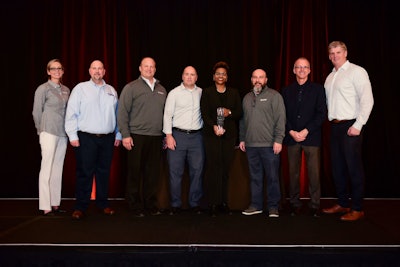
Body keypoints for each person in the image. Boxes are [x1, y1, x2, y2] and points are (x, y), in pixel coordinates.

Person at [322, 41, 374, 221]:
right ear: (329, 56)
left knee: (354, 168)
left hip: (351, 126)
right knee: (337, 168)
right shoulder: (330, 77)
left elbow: (367, 100)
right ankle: (343, 203)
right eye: (332, 53)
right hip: (335, 127)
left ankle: (358, 208)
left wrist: (358, 125)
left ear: (345, 53)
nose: (335, 56)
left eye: (338, 52)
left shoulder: (357, 72)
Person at [65, 60, 121, 220]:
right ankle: (81, 206)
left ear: (104, 71)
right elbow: (71, 113)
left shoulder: (111, 90)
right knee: (85, 172)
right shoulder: (80, 89)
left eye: (100, 69)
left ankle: (103, 204)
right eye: (94, 68)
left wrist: (118, 134)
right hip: (86, 138)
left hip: (108, 138)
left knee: (104, 172)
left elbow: (117, 115)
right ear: (89, 71)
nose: (97, 71)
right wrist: (72, 135)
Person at [118, 57, 167, 217]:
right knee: (134, 172)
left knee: (152, 174)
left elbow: (166, 115)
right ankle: (134, 205)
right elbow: (122, 112)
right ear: (140, 68)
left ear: (155, 69)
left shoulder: (162, 89)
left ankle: (150, 205)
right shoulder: (131, 87)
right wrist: (125, 135)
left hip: (156, 136)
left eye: (152, 66)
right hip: (136, 136)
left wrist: (166, 135)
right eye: (146, 66)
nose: (149, 69)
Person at [281, 57, 327, 217]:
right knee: (293, 173)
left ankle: (315, 205)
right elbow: (282, 115)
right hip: (292, 137)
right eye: (298, 67)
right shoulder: (286, 91)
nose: (301, 70)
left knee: (314, 173)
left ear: (309, 70)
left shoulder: (318, 90)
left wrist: (307, 130)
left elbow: (321, 114)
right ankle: (294, 204)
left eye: (305, 67)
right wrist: (291, 131)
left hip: (311, 137)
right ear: (293, 70)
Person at [239, 69, 286, 218]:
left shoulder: (274, 96)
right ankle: (256, 205)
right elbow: (242, 121)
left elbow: (280, 119)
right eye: (255, 77)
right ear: (251, 79)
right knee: (255, 177)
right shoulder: (246, 97)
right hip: (251, 145)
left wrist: (279, 140)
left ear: (266, 80)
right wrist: (242, 138)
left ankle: (273, 207)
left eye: (261, 77)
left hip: (269, 145)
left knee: (272, 177)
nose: (258, 80)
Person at [200, 61, 242, 217]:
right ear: (213, 76)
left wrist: (229, 112)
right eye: (218, 73)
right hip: (211, 135)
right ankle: (212, 203)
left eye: (223, 74)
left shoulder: (234, 93)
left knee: (225, 169)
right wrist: (213, 127)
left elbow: (239, 113)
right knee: (212, 169)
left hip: (229, 136)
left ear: (227, 77)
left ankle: (224, 202)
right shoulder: (207, 92)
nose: (220, 76)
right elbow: (204, 114)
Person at [163, 66, 204, 215]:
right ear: (182, 76)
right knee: (175, 172)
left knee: (197, 171)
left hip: (197, 137)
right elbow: (167, 115)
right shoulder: (174, 93)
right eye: (186, 74)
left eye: (192, 74)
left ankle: (194, 204)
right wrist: (168, 136)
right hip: (177, 136)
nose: (189, 77)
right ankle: (175, 204)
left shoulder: (201, 93)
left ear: (196, 77)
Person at [32, 59, 70, 216]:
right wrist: (40, 130)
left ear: (62, 71)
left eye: (59, 68)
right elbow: (36, 111)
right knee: (46, 168)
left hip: (63, 133)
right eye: (53, 69)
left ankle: (55, 203)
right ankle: (45, 205)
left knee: (57, 169)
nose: (56, 71)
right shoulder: (43, 89)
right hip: (48, 131)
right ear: (48, 71)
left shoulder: (67, 89)